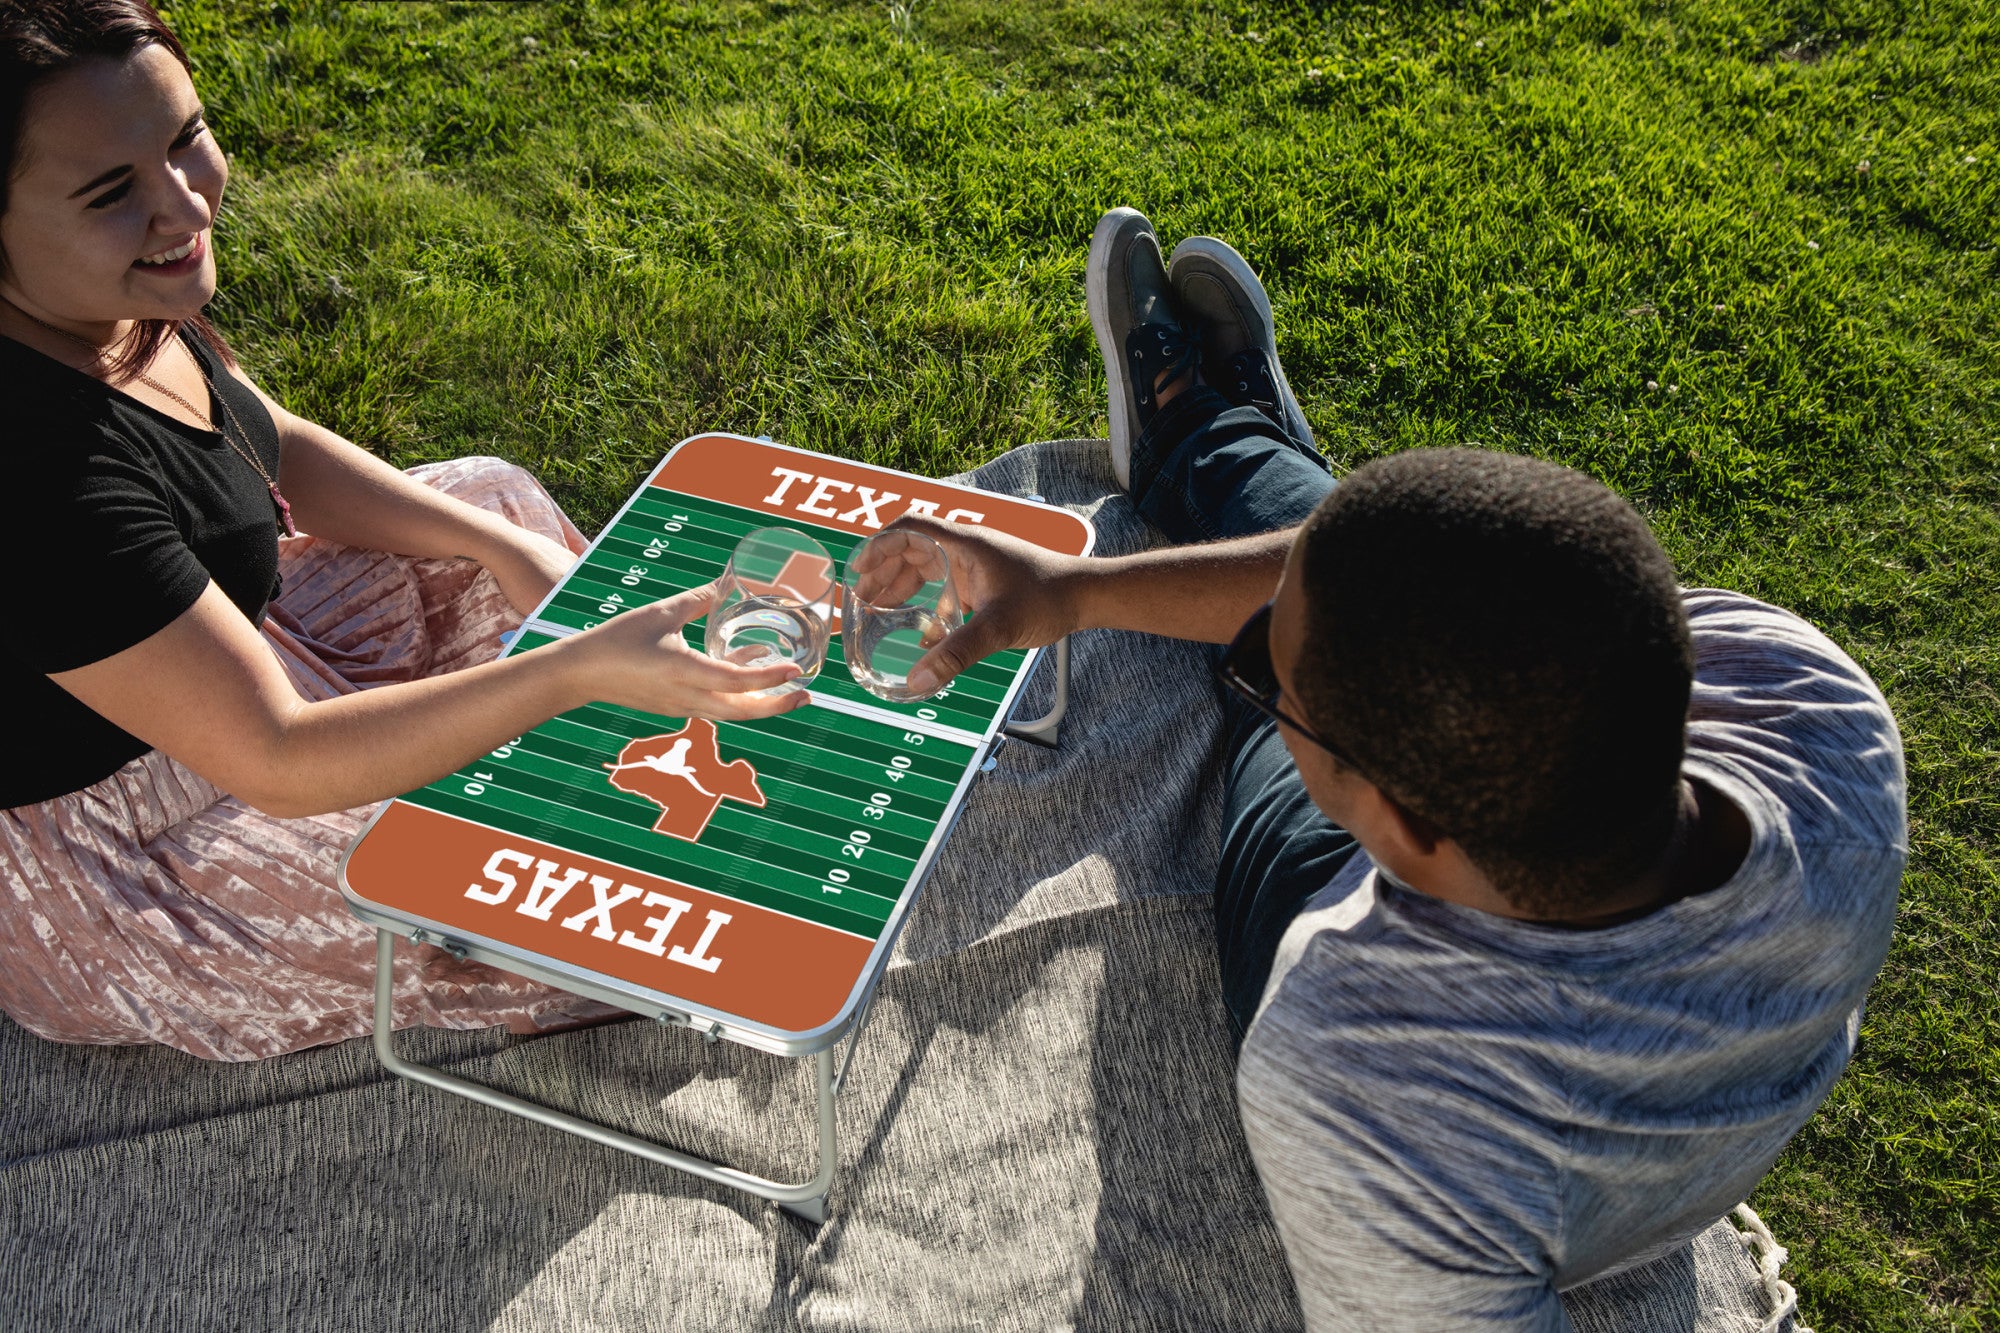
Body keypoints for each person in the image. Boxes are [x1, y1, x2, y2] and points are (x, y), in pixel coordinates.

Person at [891, 206, 1905, 1329]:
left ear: (1396, 825)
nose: (1260, 690)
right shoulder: (1812, 701)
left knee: (1300, 662)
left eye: (1272, 690)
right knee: (1372, 572)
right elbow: (1437, 588)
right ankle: (1229, 448)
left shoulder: (1360, 1071)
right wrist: (1069, 593)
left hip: (1350, 929)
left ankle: (1214, 443)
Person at [0, 0, 805, 1061]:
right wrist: (570, 671)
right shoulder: (36, 469)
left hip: (243, 660)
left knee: (488, 499)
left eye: (186, 136)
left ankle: (627, 723)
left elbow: (266, 442)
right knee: (542, 890)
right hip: (139, 855)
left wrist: (501, 550)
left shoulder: (104, 302)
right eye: (113, 192)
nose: (185, 200)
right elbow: (278, 757)